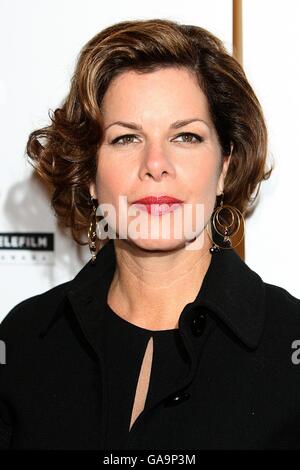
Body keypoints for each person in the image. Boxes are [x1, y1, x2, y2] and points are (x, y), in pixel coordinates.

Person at [1, 17, 300, 451]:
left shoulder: (289, 348)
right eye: (126, 139)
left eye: (185, 136)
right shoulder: (24, 342)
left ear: (225, 168)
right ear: (89, 173)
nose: (155, 163)